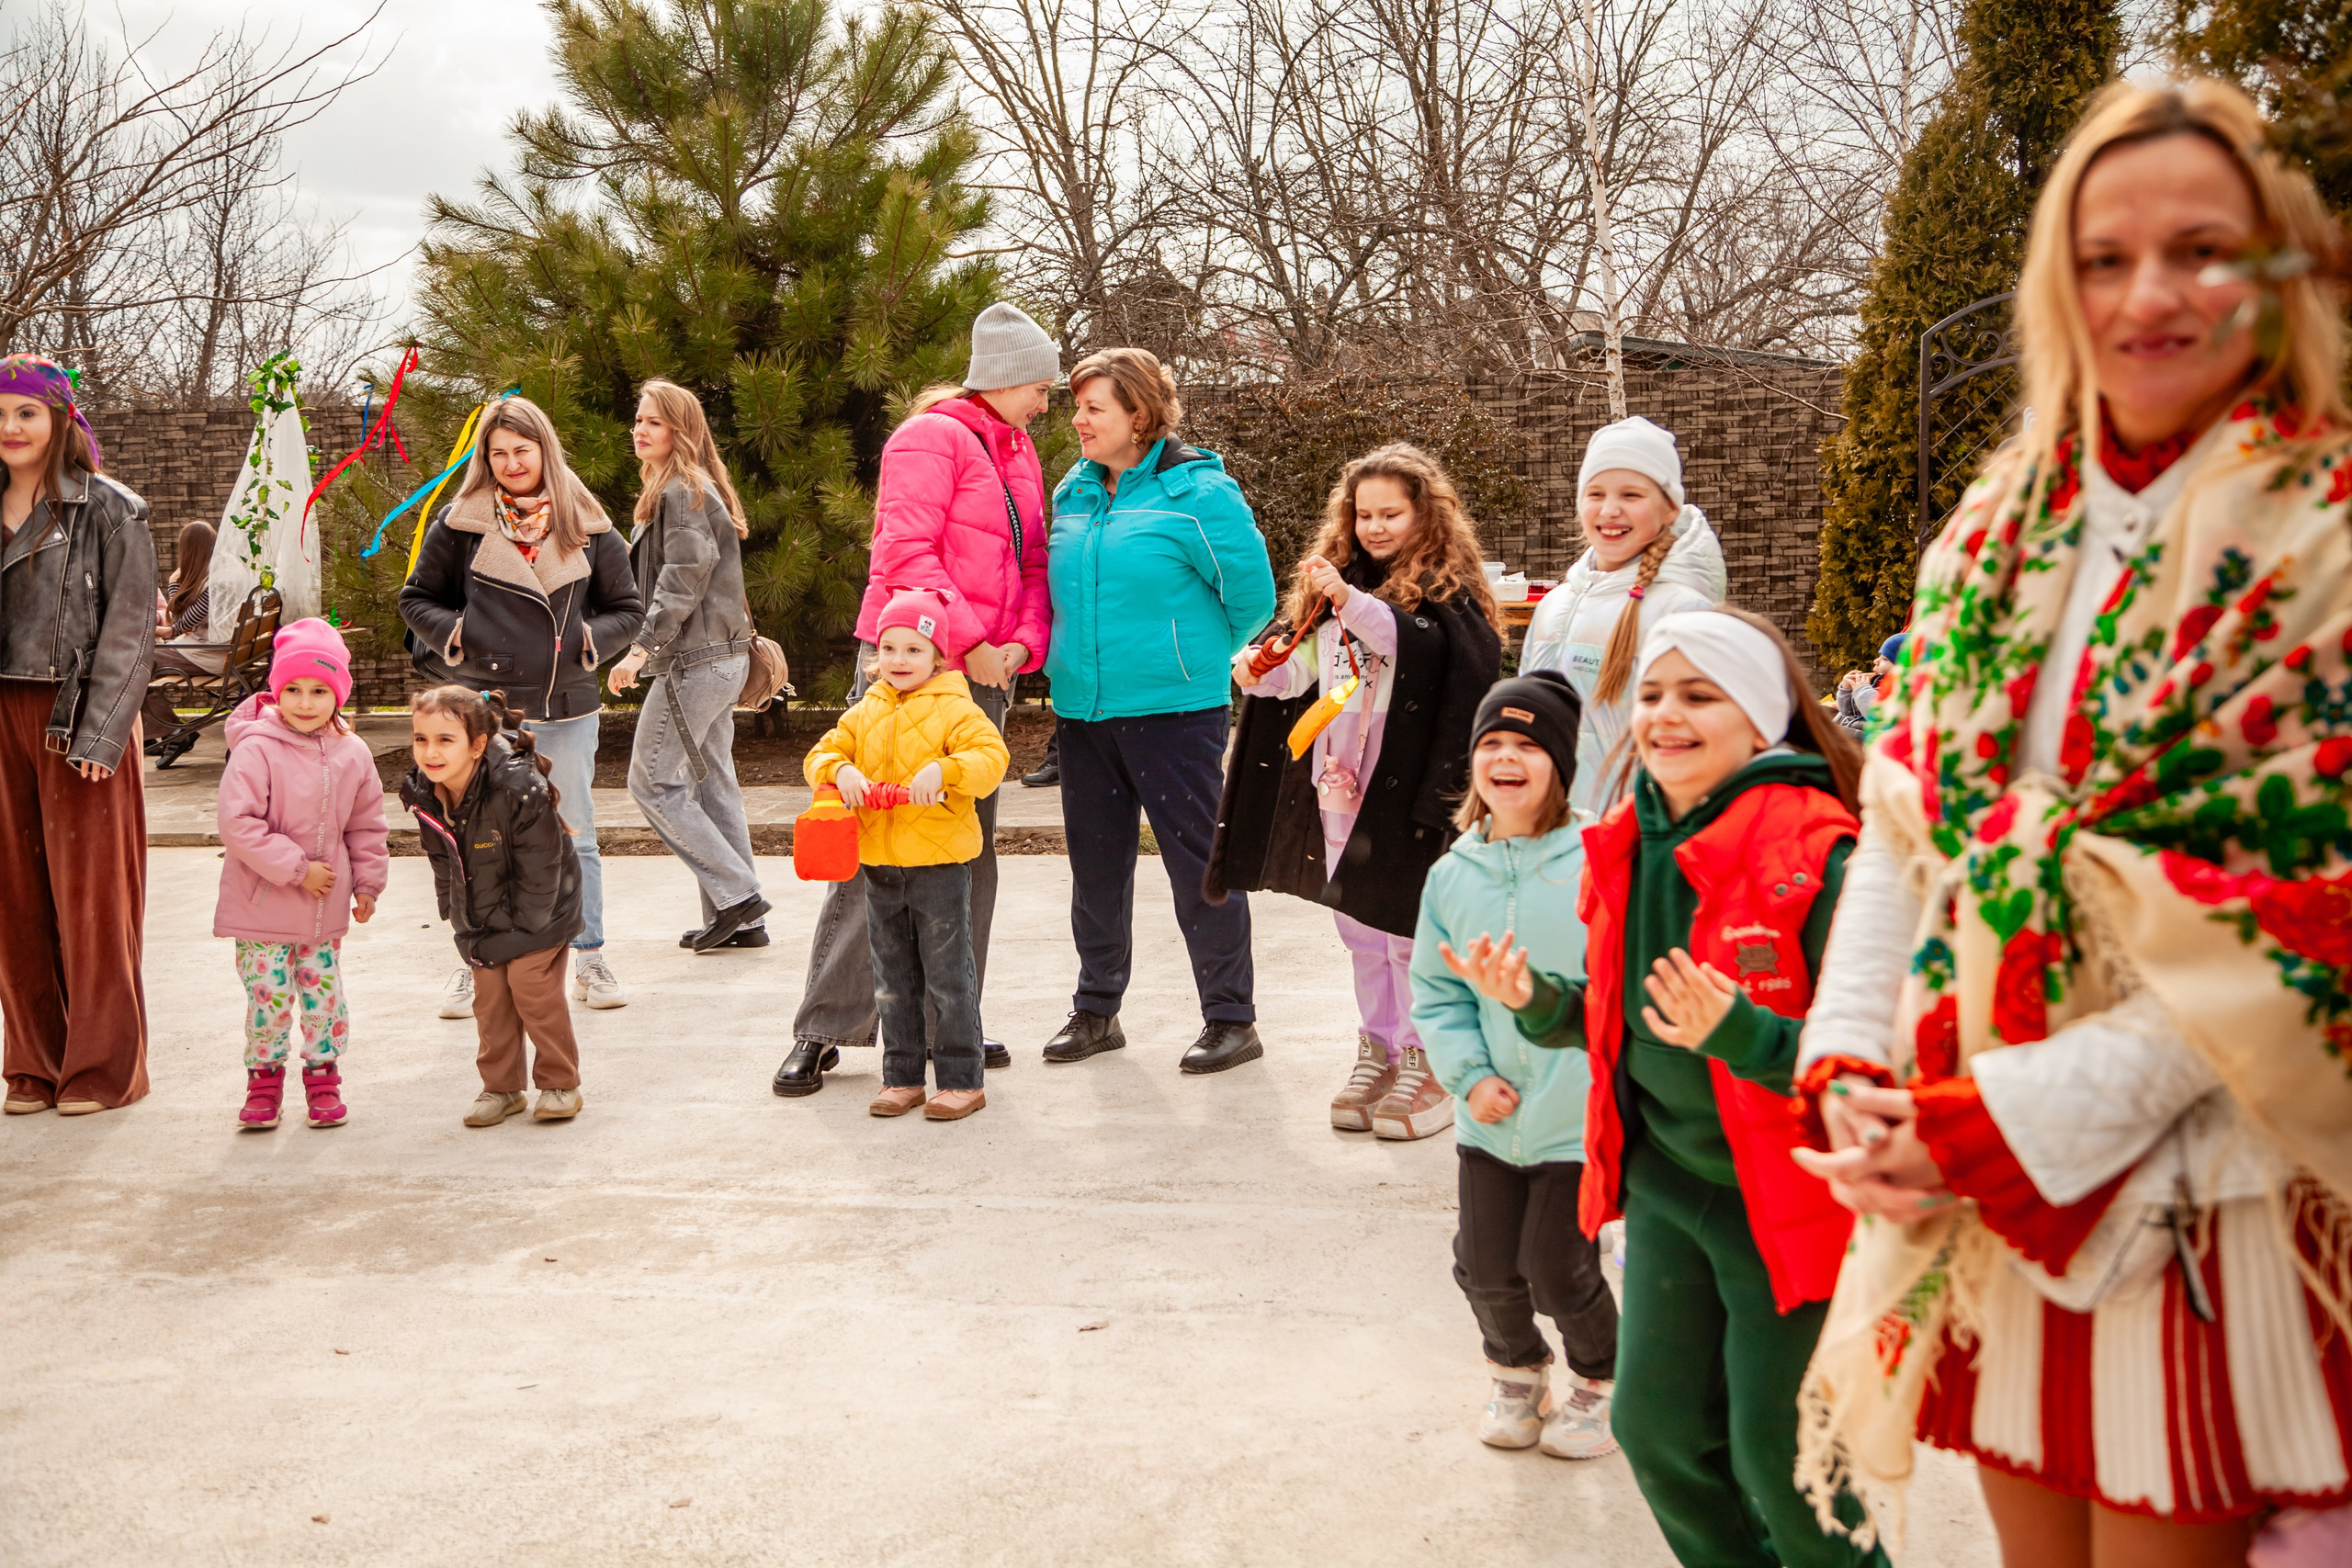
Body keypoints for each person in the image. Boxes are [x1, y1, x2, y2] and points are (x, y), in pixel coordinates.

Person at [1789, 79, 2352, 1568]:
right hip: (1978, 1184)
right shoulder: (1995, 526)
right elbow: (1911, 820)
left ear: (2279, 265)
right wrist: (1849, 1057)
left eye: (2202, 248)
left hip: (2193, 1193)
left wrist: (2011, 1124)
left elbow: (2318, 922)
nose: (2149, 292)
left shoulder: (2330, 529)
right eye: (2105, 257)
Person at [1446, 608, 1871, 1567]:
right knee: (1663, 1437)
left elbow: (1882, 1058)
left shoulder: (1825, 854)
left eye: (1699, 694)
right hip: (1671, 1189)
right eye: (1650, 694)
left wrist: (1745, 1035)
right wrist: (1542, 1004)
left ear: (1761, 720)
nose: (1665, 714)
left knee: (1788, 1464)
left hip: (1788, 1204)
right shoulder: (1631, 839)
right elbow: (1619, 1008)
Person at [776, 302, 1057, 1097]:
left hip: (985, 668)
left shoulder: (1021, 452)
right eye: (1040, 383)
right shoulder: (929, 437)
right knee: (873, 840)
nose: (1047, 400)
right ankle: (824, 1026)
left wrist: (1017, 648)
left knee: (963, 838)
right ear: (1006, 377)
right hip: (911, 657)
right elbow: (906, 552)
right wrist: (967, 642)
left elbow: (1033, 564)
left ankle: (948, 1024)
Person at [1209, 443, 1501, 1136]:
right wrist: (1258, 669)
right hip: (1337, 786)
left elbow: (1429, 650)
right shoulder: (1334, 591)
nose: (1374, 526)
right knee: (1361, 931)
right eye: (1363, 513)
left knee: (1410, 930)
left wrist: (1354, 603)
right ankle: (1378, 1048)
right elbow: (1299, 671)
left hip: (1406, 792)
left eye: (1391, 513)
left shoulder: (1443, 593)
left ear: (1425, 514)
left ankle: (1429, 1057)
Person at [1040, 347, 1278, 1075]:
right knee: (1096, 869)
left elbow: (1254, 599)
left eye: (1093, 408)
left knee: (1198, 868)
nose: (1077, 420)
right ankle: (1097, 1009)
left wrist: (1191, 659)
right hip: (1083, 714)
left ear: (1138, 415)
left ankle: (1231, 1018)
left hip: (1176, 714)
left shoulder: (1198, 493)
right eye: (1076, 406)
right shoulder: (1073, 492)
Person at [1412, 671, 1621, 1460]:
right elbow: (1437, 995)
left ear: (1561, 764)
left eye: (1527, 744)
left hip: (1577, 1114)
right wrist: (1469, 1075)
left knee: (1560, 1269)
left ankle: (1600, 1381)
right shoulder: (1453, 875)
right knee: (1484, 1264)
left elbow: (1619, 985)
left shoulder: (1601, 859)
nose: (1506, 756)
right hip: (1489, 1117)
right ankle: (1516, 1370)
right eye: (1491, 742)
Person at [401, 396, 644, 1018]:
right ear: (486, 457)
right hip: (484, 709)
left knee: (575, 833)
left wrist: (590, 641)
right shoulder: (460, 523)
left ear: (544, 450)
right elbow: (417, 598)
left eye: (522, 450)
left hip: (566, 703)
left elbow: (628, 608)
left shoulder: (588, 523)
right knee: (477, 837)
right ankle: (475, 963)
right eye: (498, 452)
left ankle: (588, 955)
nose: (511, 463)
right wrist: (459, 635)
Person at [0, 354, 156, 1116]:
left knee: (92, 905)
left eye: (25, 411)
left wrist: (102, 735)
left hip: (76, 720)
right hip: (0, 722)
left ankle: (101, 1068)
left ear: (59, 418)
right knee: (13, 900)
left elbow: (129, 632)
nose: (10, 426)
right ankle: (31, 1063)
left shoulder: (110, 508)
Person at [802, 590, 1012, 1121]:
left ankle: (963, 1079)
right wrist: (839, 771)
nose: (899, 660)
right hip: (880, 864)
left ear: (938, 657)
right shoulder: (865, 710)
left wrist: (945, 771)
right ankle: (902, 1077)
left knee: (947, 974)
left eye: (914, 650)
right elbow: (821, 754)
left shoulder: (955, 708)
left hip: (939, 865)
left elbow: (991, 757)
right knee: (891, 976)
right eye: (889, 648)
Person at [608, 380, 768, 953]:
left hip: (697, 663)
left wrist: (641, 648)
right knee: (711, 780)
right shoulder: (683, 489)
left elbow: (684, 577)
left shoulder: (682, 491)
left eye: (653, 421)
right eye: (638, 420)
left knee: (652, 781)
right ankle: (741, 918)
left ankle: (738, 895)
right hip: (718, 660)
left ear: (681, 429)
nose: (640, 430)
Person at [213, 619, 388, 1131]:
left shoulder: (354, 753)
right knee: (267, 998)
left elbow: (366, 823)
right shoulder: (256, 748)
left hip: (322, 911)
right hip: (262, 905)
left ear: (338, 695)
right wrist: (297, 869)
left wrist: (368, 884)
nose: (305, 702)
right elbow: (237, 823)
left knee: (322, 996)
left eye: (319, 690)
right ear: (276, 690)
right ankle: (263, 1082)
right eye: (292, 689)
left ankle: (323, 1076)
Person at [1519, 416, 1724, 815]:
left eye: (1631, 495)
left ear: (1669, 510)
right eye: (1595, 493)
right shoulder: (1553, 604)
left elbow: (1700, 744)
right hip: (1550, 831)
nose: (1610, 510)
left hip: (1636, 836)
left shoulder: (1683, 611)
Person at [401, 685, 586, 1126]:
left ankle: (561, 1083)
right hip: (485, 917)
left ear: (477, 744)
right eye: (421, 738)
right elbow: (442, 863)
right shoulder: (426, 792)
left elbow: (541, 875)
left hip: (543, 913)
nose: (430, 751)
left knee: (531, 990)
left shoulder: (519, 788)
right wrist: (460, 922)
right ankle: (501, 1089)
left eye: (445, 740)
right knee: (490, 1001)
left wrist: (514, 936)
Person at [142, 519, 220, 763]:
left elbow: (180, 624)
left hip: (210, 653)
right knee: (140, 664)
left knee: (137, 662)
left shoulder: (213, 584)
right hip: (217, 650)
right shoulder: (217, 574)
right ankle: (172, 731)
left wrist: (173, 583)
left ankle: (174, 731)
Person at [1831, 635, 1903, 738]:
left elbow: (1879, 715)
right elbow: (1850, 713)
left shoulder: (1901, 689)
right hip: (1853, 731)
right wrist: (1846, 690)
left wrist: (1862, 690)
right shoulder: (1879, 681)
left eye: (1885, 659)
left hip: (1872, 741)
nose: (1875, 661)